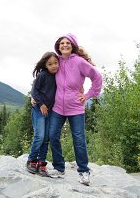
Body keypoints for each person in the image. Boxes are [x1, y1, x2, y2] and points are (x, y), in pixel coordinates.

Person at [49, 33, 102, 185]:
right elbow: (44, 72)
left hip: (76, 108)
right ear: (58, 47)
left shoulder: (79, 62)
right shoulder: (56, 61)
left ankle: (84, 172)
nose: (64, 45)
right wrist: (35, 95)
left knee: (79, 140)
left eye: (68, 43)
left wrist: (88, 95)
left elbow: (97, 76)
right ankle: (59, 168)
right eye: (62, 43)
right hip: (58, 107)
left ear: (72, 46)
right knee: (52, 135)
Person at [26, 52, 59, 177]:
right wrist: (40, 104)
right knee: (39, 136)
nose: (53, 66)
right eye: (50, 64)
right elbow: (34, 91)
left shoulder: (58, 76)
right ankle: (31, 159)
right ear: (45, 65)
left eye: (56, 63)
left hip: (50, 111)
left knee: (46, 138)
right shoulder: (42, 75)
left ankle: (41, 163)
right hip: (39, 109)